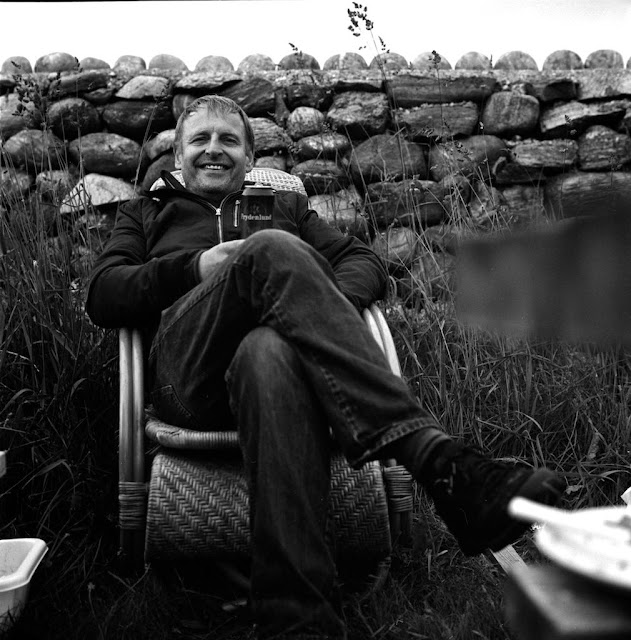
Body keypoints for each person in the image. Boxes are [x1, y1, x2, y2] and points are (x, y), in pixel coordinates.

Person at [86, 95, 565, 640]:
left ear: (249, 157)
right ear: (178, 155)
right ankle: (440, 463)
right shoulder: (145, 212)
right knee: (268, 250)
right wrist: (195, 268)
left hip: (281, 375)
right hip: (190, 378)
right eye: (200, 139)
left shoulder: (285, 208)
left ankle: (297, 617)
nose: (214, 150)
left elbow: (365, 262)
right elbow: (103, 293)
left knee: (267, 348)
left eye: (229, 140)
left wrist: (312, 303)